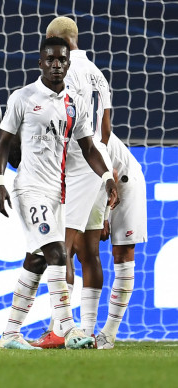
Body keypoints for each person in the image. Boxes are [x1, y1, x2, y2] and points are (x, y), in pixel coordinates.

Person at [0, 36, 119, 350]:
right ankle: (69, 328)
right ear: (40, 62)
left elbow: (89, 146)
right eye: (50, 59)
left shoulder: (73, 105)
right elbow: (4, 141)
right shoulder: (23, 97)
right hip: (29, 190)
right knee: (58, 253)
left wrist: (106, 176)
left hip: (57, 192)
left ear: (68, 62)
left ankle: (10, 334)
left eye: (62, 59)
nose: (56, 65)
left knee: (36, 260)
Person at [31, 16, 115, 348]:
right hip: (98, 164)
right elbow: (105, 127)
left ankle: (61, 330)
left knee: (59, 247)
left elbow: (64, 122)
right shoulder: (98, 73)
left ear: (55, 39)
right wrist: (105, 173)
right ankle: (89, 330)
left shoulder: (67, 72)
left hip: (76, 164)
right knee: (89, 251)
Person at [94, 132, 146, 349]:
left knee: (122, 255)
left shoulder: (86, 124)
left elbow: (111, 172)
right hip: (101, 185)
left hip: (125, 180)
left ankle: (109, 333)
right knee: (77, 248)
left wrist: (103, 216)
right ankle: (66, 329)